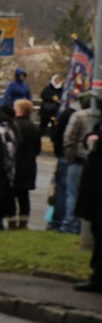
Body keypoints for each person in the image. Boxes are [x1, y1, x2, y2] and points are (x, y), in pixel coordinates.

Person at [73, 113, 102, 292]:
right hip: (95, 183)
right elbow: (91, 134)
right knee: (97, 229)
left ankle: (98, 276)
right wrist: (89, 139)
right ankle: (97, 274)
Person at [61, 94, 96, 234]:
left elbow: (69, 139)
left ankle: (70, 225)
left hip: (78, 160)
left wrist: (70, 157)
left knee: (73, 194)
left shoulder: (79, 116)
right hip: (92, 161)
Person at [49, 97, 80, 231]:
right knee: (74, 191)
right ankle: (72, 222)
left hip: (65, 155)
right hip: (79, 158)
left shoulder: (69, 113)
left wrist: (61, 152)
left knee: (62, 190)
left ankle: (59, 221)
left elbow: (59, 135)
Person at [10, 99, 41, 229]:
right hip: (29, 164)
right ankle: (23, 222)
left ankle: (11, 221)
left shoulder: (14, 125)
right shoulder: (34, 127)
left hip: (14, 163)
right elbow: (37, 149)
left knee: (11, 194)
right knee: (24, 195)